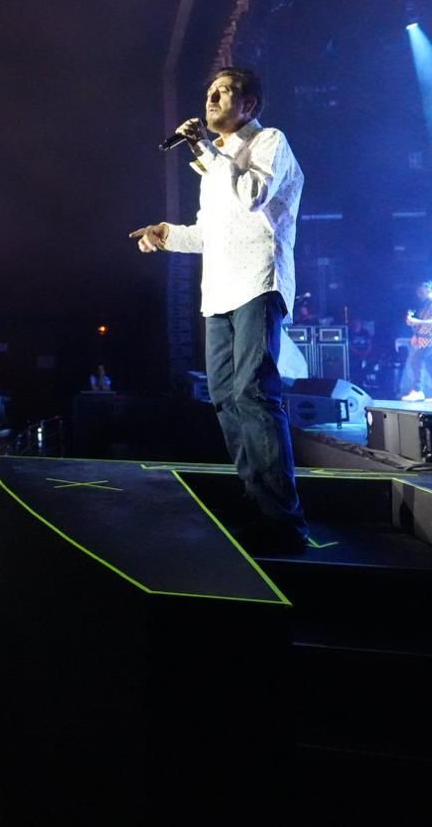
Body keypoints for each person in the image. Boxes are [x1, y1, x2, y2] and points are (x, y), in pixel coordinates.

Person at [131, 66, 308, 552]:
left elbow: (252, 196)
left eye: (224, 92)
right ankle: (257, 507)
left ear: (248, 105)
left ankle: (284, 521)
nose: (211, 100)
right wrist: (167, 234)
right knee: (226, 398)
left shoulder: (270, 141)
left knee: (253, 394)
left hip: (258, 284)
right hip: (220, 291)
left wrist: (207, 151)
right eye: (209, 92)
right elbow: (209, 234)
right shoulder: (213, 165)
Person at [400, 280, 432, 403]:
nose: (419, 294)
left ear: (429, 290)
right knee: (430, 366)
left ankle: (417, 390)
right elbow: (421, 324)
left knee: (416, 359)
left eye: (421, 291)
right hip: (426, 339)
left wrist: (418, 322)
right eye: (418, 292)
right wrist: (413, 325)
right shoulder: (425, 306)